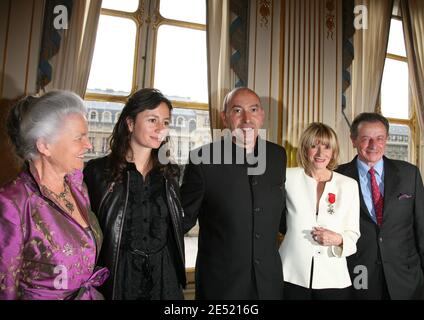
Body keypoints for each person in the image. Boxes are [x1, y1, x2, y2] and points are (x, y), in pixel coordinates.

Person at [0, 91, 108, 300]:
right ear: (44, 146)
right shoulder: (13, 203)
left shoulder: (77, 186)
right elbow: (5, 288)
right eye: (79, 138)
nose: (89, 145)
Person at [181, 87, 287, 299]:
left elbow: (284, 215)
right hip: (221, 287)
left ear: (262, 115)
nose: (247, 118)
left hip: (269, 284)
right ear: (224, 117)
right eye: (237, 110)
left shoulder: (277, 156)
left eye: (254, 109)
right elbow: (181, 220)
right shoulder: (203, 159)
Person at [83, 88, 186, 300]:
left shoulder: (170, 174)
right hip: (118, 278)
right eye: (152, 120)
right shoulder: (96, 172)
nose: (161, 128)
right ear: (130, 124)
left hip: (163, 278)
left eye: (165, 122)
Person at [337, 112, 424, 299]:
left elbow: (422, 228)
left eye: (379, 138)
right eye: (366, 139)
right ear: (353, 140)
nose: (373, 145)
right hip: (358, 277)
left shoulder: (410, 174)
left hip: (406, 279)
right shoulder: (337, 178)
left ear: (387, 139)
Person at [279, 122, 360, 300]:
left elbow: (353, 233)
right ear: (304, 149)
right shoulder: (287, 177)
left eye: (326, 147)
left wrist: (338, 239)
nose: (320, 153)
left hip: (334, 277)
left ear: (333, 151)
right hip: (290, 274)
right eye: (314, 146)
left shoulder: (349, 185)